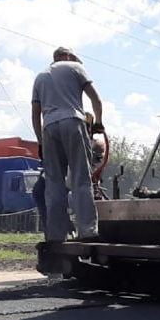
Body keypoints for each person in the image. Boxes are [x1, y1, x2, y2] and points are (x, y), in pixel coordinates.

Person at [31, 46, 104, 243]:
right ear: (69, 56)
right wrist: (98, 121)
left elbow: (35, 113)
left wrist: (40, 141)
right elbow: (95, 97)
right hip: (73, 121)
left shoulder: (40, 77)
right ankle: (87, 230)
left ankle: (55, 235)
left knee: (54, 185)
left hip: (49, 127)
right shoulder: (75, 67)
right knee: (81, 179)